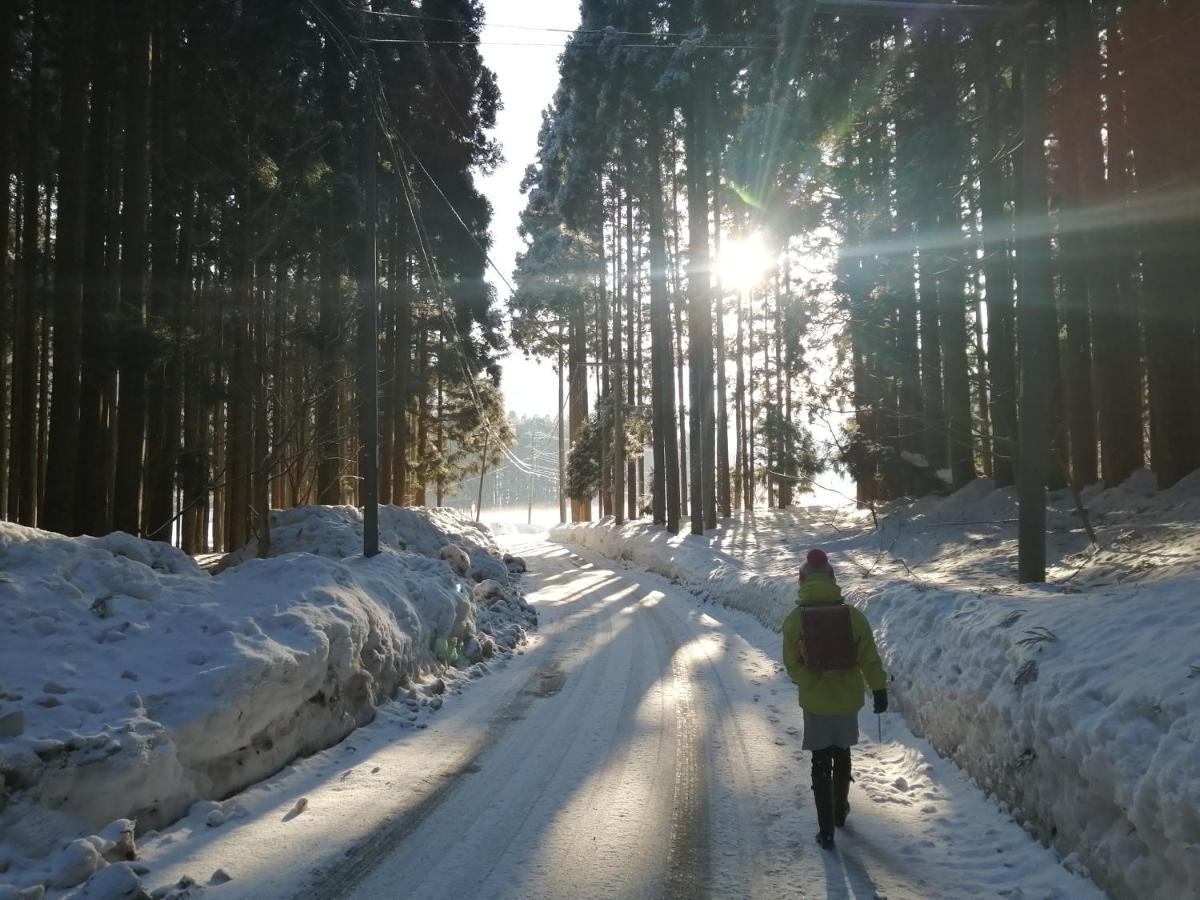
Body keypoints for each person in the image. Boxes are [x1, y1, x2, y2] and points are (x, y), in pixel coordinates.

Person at [782, 548, 887, 851]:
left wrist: (810, 681)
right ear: (832, 578)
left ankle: (826, 831)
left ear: (802, 580)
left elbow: (791, 664)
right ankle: (840, 812)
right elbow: (869, 658)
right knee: (841, 752)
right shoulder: (853, 617)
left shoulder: (795, 620)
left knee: (820, 760)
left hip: (816, 702)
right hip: (846, 700)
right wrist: (879, 689)